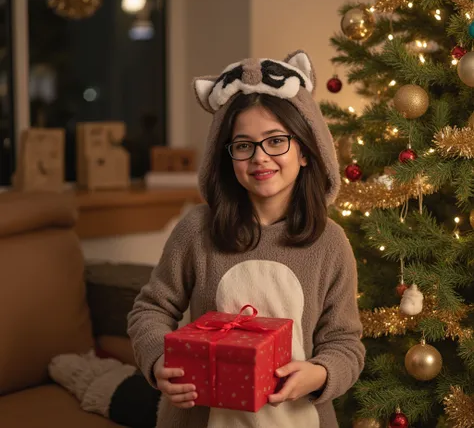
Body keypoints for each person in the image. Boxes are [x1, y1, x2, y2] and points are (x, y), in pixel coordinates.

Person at [127, 50, 365, 428]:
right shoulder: (197, 231)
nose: (260, 158)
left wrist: (319, 373)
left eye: (275, 141)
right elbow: (151, 309)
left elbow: (345, 343)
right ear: (227, 157)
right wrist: (159, 361)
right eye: (243, 145)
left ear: (304, 150)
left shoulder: (330, 243)